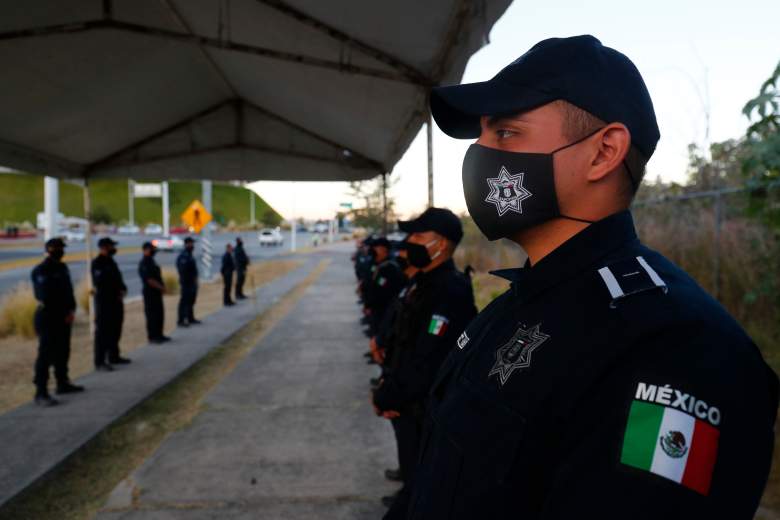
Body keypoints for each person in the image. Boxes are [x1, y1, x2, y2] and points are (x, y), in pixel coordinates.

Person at [401, 35, 778, 519]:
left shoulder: (675, 349)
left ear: (603, 153)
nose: (480, 153)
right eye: (481, 136)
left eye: (507, 133)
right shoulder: (515, 305)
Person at [372, 207, 477, 512]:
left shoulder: (449, 290)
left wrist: (389, 394)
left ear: (441, 244)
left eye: (418, 235)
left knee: (421, 482)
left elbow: (427, 359)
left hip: (422, 409)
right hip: (406, 403)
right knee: (411, 468)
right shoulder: (422, 283)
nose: (409, 241)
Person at [31, 238, 83, 406]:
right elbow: (45, 296)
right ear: (49, 249)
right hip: (48, 317)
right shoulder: (41, 270)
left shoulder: (62, 268)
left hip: (64, 317)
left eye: (62, 247)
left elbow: (69, 292)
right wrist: (63, 312)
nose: (61, 251)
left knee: (63, 351)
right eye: (59, 248)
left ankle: (62, 383)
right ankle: (41, 392)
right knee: (45, 354)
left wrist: (71, 310)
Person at [92, 237, 130, 370]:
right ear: (104, 247)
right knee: (102, 332)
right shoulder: (97, 263)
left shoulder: (111, 262)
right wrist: (115, 292)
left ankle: (114, 356)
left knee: (115, 329)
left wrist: (123, 289)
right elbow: (101, 283)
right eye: (111, 246)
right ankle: (100, 361)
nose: (113, 248)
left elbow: (118, 279)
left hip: (116, 302)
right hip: (104, 302)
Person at [362, 237, 406, 337]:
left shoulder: (390, 267)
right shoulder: (378, 263)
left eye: (376, 247)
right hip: (376, 307)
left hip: (384, 308)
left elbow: (384, 292)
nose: (373, 250)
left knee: (381, 331)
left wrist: (371, 304)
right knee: (375, 329)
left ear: (383, 249)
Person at [138, 241, 170, 344]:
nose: (153, 251)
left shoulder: (152, 261)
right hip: (150, 293)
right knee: (152, 315)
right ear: (146, 250)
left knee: (159, 314)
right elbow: (149, 280)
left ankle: (159, 334)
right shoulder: (144, 263)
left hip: (156, 293)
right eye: (151, 249)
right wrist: (161, 288)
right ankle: (153, 337)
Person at [176, 237, 200, 326]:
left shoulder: (190, 255)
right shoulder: (183, 256)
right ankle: (181, 320)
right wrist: (188, 281)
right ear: (187, 244)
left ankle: (190, 318)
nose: (192, 245)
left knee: (191, 301)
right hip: (186, 283)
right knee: (184, 301)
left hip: (192, 283)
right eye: (191, 243)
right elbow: (183, 271)